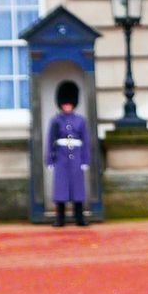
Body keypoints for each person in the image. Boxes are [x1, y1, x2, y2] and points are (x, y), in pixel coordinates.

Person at [46, 80, 91, 226]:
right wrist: (49, 160)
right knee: (61, 188)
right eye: (65, 104)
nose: (67, 106)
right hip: (61, 156)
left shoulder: (80, 121)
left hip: (76, 156)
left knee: (77, 188)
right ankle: (60, 219)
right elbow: (50, 140)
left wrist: (85, 160)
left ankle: (79, 217)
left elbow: (86, 141)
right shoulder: (56, 121)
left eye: (69, 104)